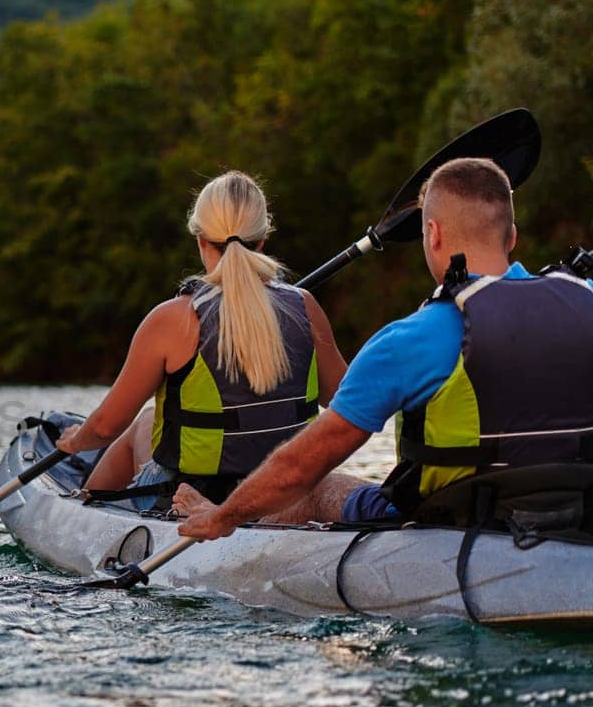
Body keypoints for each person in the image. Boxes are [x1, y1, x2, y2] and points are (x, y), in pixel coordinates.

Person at [177, 156, 593, 541]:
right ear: (513, 236)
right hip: (577, 515)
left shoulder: (411, 339)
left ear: (432, 234)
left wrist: (222, 517)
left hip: (457, 524)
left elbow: (300, 467)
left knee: (322, 487)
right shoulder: (585, 299)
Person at [55, 171, 346, 512]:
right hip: (284, 493)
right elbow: (345, 399)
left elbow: (104, 428)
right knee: (149, 419)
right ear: (263, 239)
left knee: (141, 427)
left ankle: (83, 513)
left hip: (190, 497)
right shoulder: (305, 306)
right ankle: (89, 511)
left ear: (200, 240)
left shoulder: (173, 319)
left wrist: (76, 441)